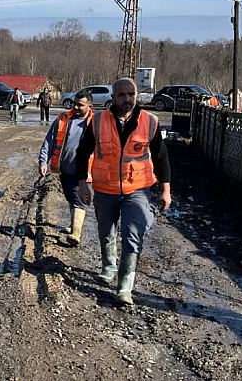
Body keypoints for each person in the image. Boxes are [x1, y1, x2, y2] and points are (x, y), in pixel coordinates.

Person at [75, 78, 171, 306]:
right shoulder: (97, 121)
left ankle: (124, 287)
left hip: (137, 189)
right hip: (105, 189)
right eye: (122, 95)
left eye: (131, 94)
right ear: (113, 97)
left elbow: (161, 158)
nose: (127, 99)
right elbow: (83, 152)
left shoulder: (150, 121)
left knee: (132, 236)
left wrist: (166, 189)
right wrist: (82, 184)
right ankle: (108, 267)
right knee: (106, 232)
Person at [39, 90, 94, 246]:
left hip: (84, 170)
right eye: (75, 103)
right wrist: (43, 161)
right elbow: (49, 141)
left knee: (78, 200)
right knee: (71, 197)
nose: (75, 107)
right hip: (64, 168)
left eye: (80, 105)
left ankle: (76, 233)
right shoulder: (64, 118)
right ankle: (73, 225)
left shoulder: (96, 122)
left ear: (90, 106)